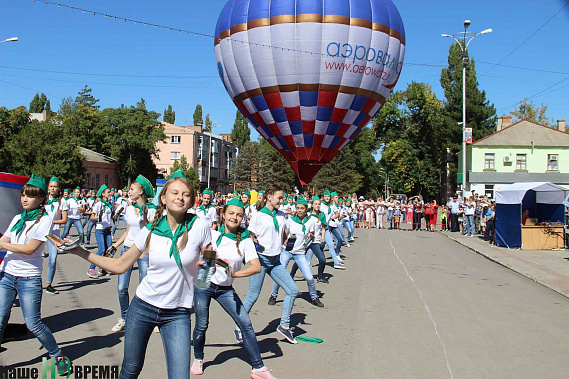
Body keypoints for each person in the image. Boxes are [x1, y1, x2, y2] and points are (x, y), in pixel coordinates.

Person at [49, 172, 211, 378]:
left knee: (180, 375)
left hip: (177, 313)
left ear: (191, 200)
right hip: (143, 307)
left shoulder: (200, 226)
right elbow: (119, 265)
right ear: (163, 197)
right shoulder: (150, 229)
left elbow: (207, 268)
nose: (180, 197)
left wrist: (206, 270)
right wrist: (79, 251)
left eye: (186, 194)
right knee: (130, 369)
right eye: (175, 192)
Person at [191, 198, 277, 379]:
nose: (234, 217)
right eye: (231, 213)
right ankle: (198, 358)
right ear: (223, 215)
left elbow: (256, 267)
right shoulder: (212, 234)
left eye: (239, 215)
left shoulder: (245, 239)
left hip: (225, 288)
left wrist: (235, 275)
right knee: (202, 324)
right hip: (205, 281)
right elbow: (198, 254)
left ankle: (258, 367)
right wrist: (203, 262)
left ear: (243, 218)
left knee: (245, 323)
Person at [0, 175, 71, 375]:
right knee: (0, 319)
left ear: (41, 199)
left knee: (33, 323)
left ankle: (57, 355)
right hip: (7, 274)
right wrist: (7, 244)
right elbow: (6, 241)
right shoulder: (17, 219)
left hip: (28, 278)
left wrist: (5, 244)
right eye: (23, 195)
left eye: (29, 196)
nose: (24, 199)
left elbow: (29, 249)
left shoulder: (45, 220)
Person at [235, 184, 299, 344]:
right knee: (253, 295)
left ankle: (284, 325)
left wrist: (287, 240)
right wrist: (254, 243)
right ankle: (239, 327)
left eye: (282, 197)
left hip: (275, 261)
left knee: (292, 290)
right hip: (261, 261)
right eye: (279, 197)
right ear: (269, 197)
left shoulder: (281, 215)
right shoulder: (258, 215)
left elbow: (283, 233)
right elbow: (249, 235)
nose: (282, 200)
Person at [108, 175, 157, 333]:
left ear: (141, 191)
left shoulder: (152, 209)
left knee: (144, 286)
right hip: (127, 249)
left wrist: (144, 216)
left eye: (132, 189)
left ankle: (148, 318)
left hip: (143, 251)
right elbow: (129, 232)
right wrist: (115, 245)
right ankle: (124, 317)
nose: (129, 191)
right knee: (122, 287)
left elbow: (152, 231)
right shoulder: (129, 208)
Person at [269, 197, 324, 308]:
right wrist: (284, 242)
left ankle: (314, 297)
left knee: (309, 277)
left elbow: (312, 236)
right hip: (288, 251)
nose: (299, 210)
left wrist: (310, 239)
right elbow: (285, 233)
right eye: (298, 208)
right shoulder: (290, 220)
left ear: (306, 209)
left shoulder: (310, 222)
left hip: (300, 253)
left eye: (302, 208)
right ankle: (273, 295)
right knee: (279, 273)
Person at [44, 176, 69, 295]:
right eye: (51, 186)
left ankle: (49, 284)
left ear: (59, 188)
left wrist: (51, 222)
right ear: (48, 188)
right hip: (40, 233)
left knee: (52, 259)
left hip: (53, 234)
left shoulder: (62, 202)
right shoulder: (43, 200)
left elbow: (64, 220)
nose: (53, 188)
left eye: (55, 186)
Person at [87, 184, 114, 278]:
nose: (110, 193)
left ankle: (102, 268)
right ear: (103, 194)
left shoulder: (109, 204)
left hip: (107, 229)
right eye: (108, 192)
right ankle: (91, 268)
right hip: (100, 229)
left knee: (109, 250)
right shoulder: (99, 204)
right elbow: (92, 217)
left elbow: (110, 217)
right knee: (101, 249)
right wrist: (99, 217)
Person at [320, 190, 345, 269]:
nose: (327, 198)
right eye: (325, 196)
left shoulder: (332, 206)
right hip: (318, 228)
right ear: (323, 197)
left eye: (328, 196)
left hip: (325, 228)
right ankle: (308, 261)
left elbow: (337, 214)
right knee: (312, 246)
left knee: (330, 245)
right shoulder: (321, 205)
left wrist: (333, 217)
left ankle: (336, 262)